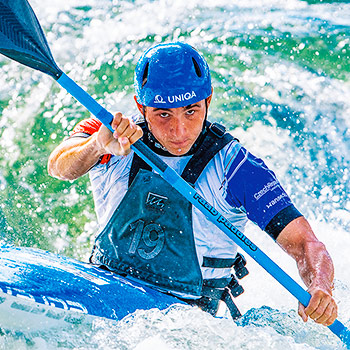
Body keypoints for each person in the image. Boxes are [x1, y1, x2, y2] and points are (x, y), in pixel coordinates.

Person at [48, 42, 337, 325]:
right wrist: (97, 146)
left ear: (208, 100)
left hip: (187, 321)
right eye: (163, 114)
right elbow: (58, 166)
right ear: (141, 106)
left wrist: (319, 286)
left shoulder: (237, 169)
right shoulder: (111, 134)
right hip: (106, 289)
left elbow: (305, 244)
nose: (179, 130)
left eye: (191, 111)